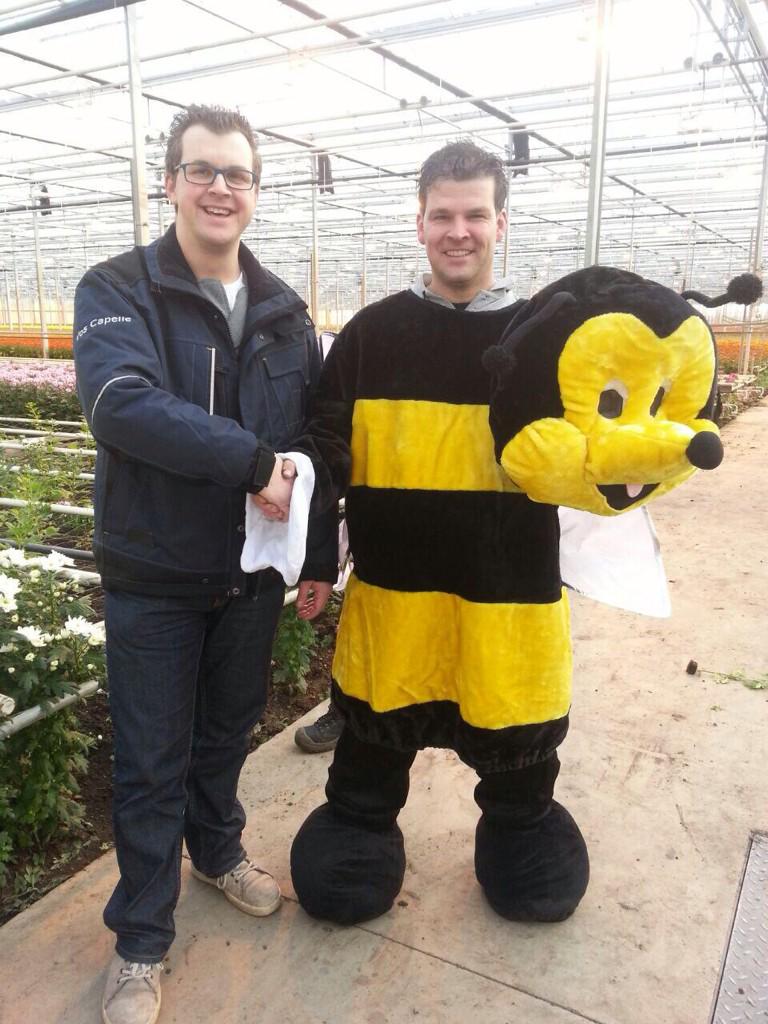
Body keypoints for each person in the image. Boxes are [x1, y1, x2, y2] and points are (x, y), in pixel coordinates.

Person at [73, 104, 337, 1024]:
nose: (220, 188)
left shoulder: (283, 313)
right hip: (155, 573)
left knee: (226, 735)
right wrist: (251, 463)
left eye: (237, 174)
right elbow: (122, 405)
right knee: (149, 760)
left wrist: (315, 549)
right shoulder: (120, 288)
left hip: (251, 576)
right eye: (202, 171)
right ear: (171, 181)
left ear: (257, 193)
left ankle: (218, 850)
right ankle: (142, 941)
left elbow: (310, 440)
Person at [289, 141, 590, 926]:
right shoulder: (370, 335)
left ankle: (520, 828)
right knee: (374, 741)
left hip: (509, 604)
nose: (460, 231)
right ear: (418, 224)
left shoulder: (547, 341)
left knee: (517, 743)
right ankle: (359, 822)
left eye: (476, 215)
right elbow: (328, 453)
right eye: (443, 215)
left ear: (503, 224)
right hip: (396, 601)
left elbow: (596, 453)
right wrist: (315, 555)